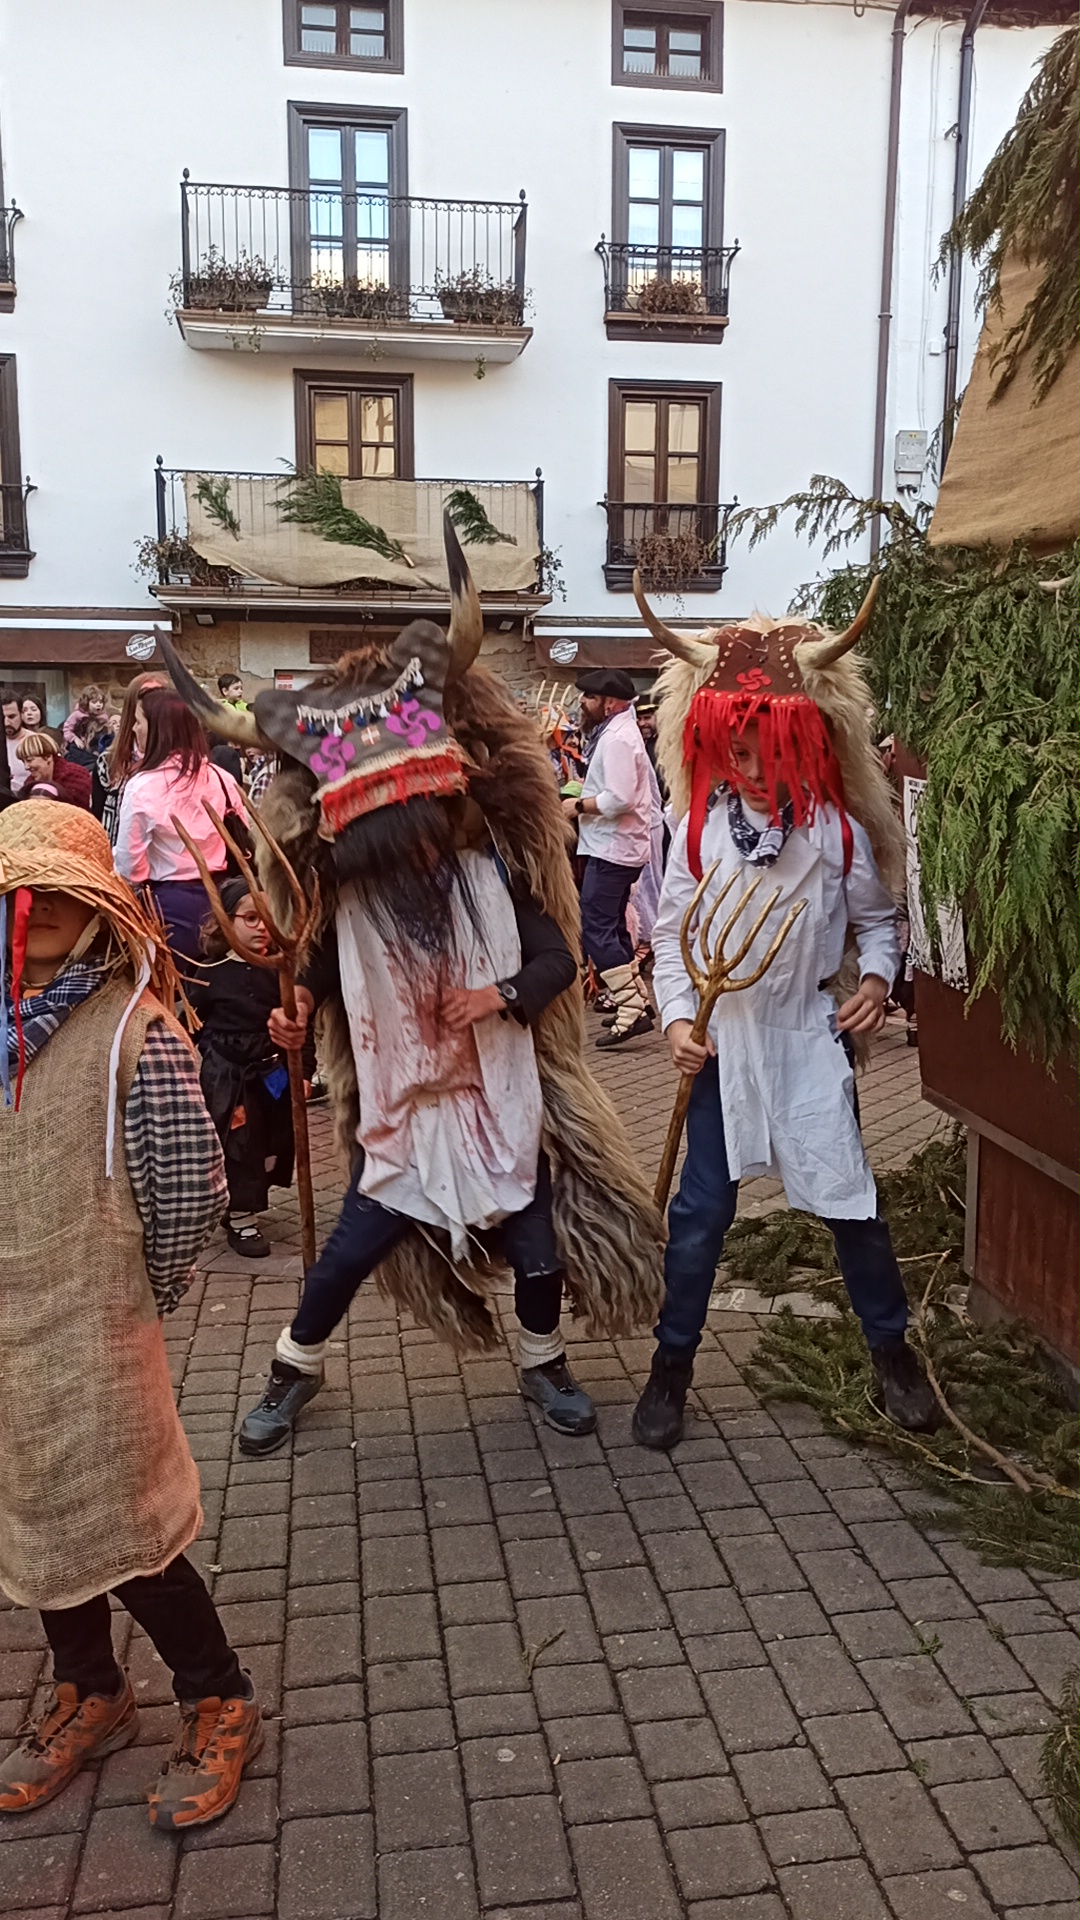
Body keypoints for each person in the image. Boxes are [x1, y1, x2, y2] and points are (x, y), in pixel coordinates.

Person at [159, 518, 665, 1454]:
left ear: (445, 805)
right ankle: (292, 1371)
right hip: (400, 1115)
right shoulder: (352, 896)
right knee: (346, 1258)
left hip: (499, 1103)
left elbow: (559, 961)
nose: (413, 861)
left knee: (537, 1252)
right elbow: (320, 973)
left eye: (422, 837)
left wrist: (498, 995)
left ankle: (544, 1363)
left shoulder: (495, 874)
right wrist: (296, 1009)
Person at [630, 578, 939, 1448]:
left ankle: (893, 1353)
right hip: (722, 1049)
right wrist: (678, 1021)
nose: (757, 771)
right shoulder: (698, 830)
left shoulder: (837, 833)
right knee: (699, 1219)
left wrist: (874, 981)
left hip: (808, 1040)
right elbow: (672, 937)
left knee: (852, 1208)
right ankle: (671, 1366)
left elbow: (877, 922)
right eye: (740, 751)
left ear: (805, 740)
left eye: (771, 751)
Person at [0, 802, 261, 1829]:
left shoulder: (131, 1032)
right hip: (9, 1320)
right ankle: (91, 1689)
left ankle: (219, 1693)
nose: (38, 906)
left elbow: (189, 1186)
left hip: (98, 1318)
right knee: (34, 1511)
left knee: (129, 1518)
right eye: (20, 892)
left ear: (102, 907)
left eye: (59, 890)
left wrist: (140, 1291)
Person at [188, 879, 296, 1259]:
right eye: (251, 918)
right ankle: (241, 1217)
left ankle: (240, 1202)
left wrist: (303, 1069)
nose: (262, 926)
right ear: (226, 920)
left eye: (268, 917)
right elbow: (187, 1022)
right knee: (240, 1145)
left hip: (271, 1075)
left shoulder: (282, 970)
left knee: (270, 1142)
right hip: (229, 1079)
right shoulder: (209, 972)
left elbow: (298, 1024)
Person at [114, 688, 246, 974]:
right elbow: (245, 834)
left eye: (138, 721)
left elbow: (130, 869)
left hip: (171, 907)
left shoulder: (142, 786)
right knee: (222, 984)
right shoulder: (222, 778)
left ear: (159, 729)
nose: (134, 728)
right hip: (227, 899)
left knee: (176, 991)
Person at [562, 668, 655, 1048]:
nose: (583, 703)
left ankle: (630, 1008)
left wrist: (577, 806)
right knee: (612, 926)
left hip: (614, 848)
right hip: (614, 846)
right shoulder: (616, 733)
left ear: (610, 702)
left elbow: (619, 799)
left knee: (595, 925)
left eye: (589, 697)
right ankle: (637, 1002)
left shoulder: (617, 738)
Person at [98, 672, 167, 839]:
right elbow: (98, 816)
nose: (152, 703)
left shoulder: (181, 762)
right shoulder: (108, 761)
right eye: (146, 696)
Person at [16, 732, 92, 809]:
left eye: (29, 760)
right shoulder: (29, 785)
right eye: (23, 761)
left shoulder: (76, 776)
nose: (26, 767)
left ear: (48, 757)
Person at [3, 689, 29, 796]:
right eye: (2, 717)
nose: (6, 722)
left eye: (12, 716)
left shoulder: (37, 741)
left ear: (22, 714)